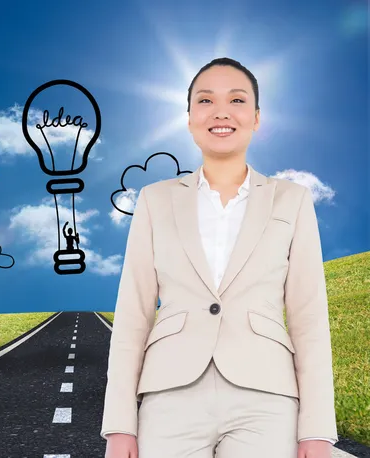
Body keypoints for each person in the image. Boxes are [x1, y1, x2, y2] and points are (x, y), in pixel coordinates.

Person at [100, 57, 338, 458]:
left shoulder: (292, 200)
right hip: (170, 395)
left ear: (257, 117)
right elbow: (133, 315)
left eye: (238, 100)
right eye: (206, 100)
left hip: (267, 397)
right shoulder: (154, 200)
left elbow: (309, 317)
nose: (222, 112)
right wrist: (119, 425)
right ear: (190, 117)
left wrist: (317, 430)